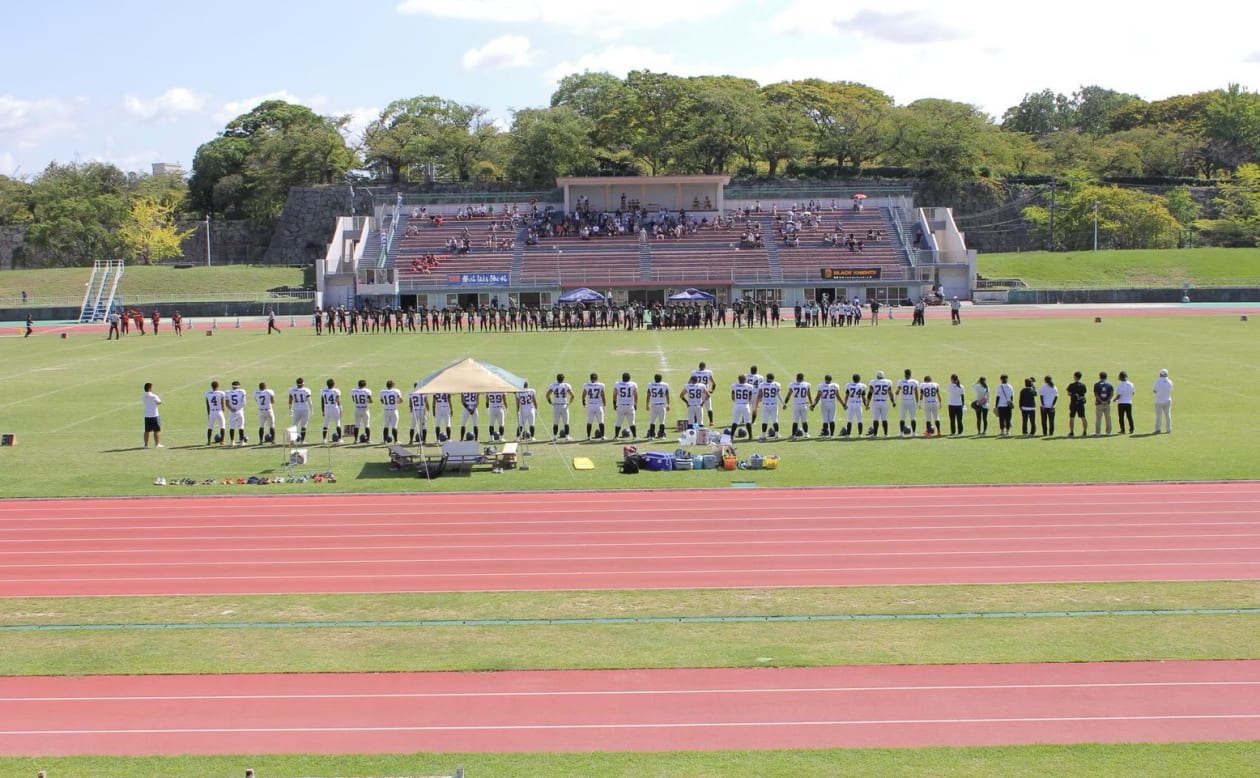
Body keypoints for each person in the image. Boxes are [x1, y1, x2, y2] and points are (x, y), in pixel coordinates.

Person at [546, 373, 574, 441]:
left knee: (555, 423)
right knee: (566, 423)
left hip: (556, 406)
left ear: (557, 379)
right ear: (563, 379)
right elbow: (573, 395)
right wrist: (569, 403)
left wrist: (550, 402)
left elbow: (547, 395)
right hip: (564, 405)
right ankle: (567, 437)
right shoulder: (566, 385)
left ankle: (555, 437)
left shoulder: (553, 385)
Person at [812, 374, 840, 438]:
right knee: (832, 420)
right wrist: (843, 404)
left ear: (825, 379)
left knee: (825, 420)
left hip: (824, 404)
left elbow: (818, 397)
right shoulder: (835, 386)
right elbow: (838, 396)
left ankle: (825, 435)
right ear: (831, 380)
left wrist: (813, 405)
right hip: (832, 404)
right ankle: (832, 435)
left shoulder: (821, 386)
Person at [785, 372, 813, 438]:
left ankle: (793, 435)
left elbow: (788, 395)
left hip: (796, 405)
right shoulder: (806, 384)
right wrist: (812, 404)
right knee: (804, 421)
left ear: (796, 378)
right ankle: (806, 434)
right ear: (803, 378)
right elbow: (809, 396)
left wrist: (785, 403)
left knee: (795, 421)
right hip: (804, 405)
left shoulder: (792, 384)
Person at [867, 370, 894, 437]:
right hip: (884, 402)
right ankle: (886, 434)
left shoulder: (873, 382)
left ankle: (875, 434)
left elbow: (870, 393)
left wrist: (867, 403)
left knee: (875, 419)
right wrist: (893, 402)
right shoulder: (887, 382)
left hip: (876, 402)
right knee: (884, 419)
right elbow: (890, 393)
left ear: (877, 376)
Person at [645, 373, 671, 440]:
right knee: (662, 421)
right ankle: (661, 435)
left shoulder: (650, 384)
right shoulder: (665, 385)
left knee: (652, 421)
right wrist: (668, 404)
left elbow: (648, 395)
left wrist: (647, 405)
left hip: (653, 405)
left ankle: (651, 435)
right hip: (662, 405)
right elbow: (667, 395)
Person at [612, 372, 638, 439]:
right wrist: (635, 404)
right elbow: (635, 395)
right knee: (632, 422)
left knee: (618, 422)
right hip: (630, 405)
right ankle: (634, 436)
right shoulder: (633, 384)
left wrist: (614, 404)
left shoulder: (617, 384)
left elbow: (615, 395)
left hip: (620, 405)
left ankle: (616, 436)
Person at [756, 372, 782, 439]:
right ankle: (777, 434)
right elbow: (779, 395)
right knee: (775, 420)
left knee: (764, 420)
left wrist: (757, 404)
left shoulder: (762, 384)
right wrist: (783, 404)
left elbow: (759, 395)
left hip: (765, 405)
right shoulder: (776, 384)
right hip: (774, 405)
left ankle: (763, 435)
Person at [841, 373, 867, 438]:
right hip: (858, 404)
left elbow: (846, 396)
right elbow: (863, 397)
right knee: (860, 420)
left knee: (849, 420)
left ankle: (848, 434)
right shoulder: (862, 386)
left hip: (850, 404)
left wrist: (844, 404)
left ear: (853, 379)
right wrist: (866, 405)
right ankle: (860, 434)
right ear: (859, 379)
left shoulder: (849, 385)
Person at [691, 361, 716, 426]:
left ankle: (695, 422)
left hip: (697, 392)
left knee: (697, 406)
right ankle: (711, 422)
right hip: (705, 391)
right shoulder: (708, 372)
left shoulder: (694, 372)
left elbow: (689, 382)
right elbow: (714, 383)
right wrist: (712, 390)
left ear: (699, 367)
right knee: (709, 407)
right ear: (704, 367)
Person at [896, 369, 920, 437]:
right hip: (911, 401)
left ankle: (901, 433)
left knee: (902, 418)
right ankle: (914, 433)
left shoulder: (901, 381)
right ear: (910, 374)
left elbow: (897, 391)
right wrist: (918, 402)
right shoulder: (914, 382)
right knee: (913, 418)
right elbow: (916, 392)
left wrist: (894, 399)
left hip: (904, 401)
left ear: (904, 374)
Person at [288, 377, 312, 443]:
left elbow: (290, 400)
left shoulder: (292, 390)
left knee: (294, 425)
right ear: (303, 383)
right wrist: (311, 409)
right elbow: (309, 401)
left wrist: (290, 409)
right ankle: (302, 440)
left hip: (296, 409)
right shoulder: (306, 390)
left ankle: (292, 440)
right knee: (304, 426)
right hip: (305, 409)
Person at [225, 380, 248, 445]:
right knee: (241, 427)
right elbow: (244, 403)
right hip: (240, 411)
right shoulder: (242, 391)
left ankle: (232, 441)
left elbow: (226, 403)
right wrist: (238, 409)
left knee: (232, 427)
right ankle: (241, 442)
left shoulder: (228, 392)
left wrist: (231, 409)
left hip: (232, 411)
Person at [1066, 371, 1088, 437]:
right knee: (1083, 417)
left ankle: (1072, 432)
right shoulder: (1083, 385)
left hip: (1073, 403)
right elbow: (1084, 393)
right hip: (1081, 403)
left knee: (1072, 417)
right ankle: (1085, 431)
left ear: (1075, 377)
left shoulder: (1071, 385)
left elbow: (1068, 393)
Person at [351, 379, 373, 443]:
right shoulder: (367, 391)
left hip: (357, 409)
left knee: (356, 425)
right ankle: (368, 440)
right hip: (365, 410)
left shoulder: (354, 390)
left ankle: (355, 440)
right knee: (367, 425)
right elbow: (371, 401)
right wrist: (367, 400)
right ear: (365, 385)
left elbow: (353, 399)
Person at [321, 378, 343, 443]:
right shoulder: (336, 391)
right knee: (338, 424)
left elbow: (322, 401)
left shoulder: (323, 390)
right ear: (334, 384)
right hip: (335, 408)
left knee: (325, 424)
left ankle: (324, 439)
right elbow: (338, 400)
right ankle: (340, 439)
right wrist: (341, 409)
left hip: (327, 408)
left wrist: (323, 410)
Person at [205, 380, 227, 445]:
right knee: (222, 426)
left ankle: (209, 441)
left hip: (212, 411)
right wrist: (223, 411)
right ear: (218, 386)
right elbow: (222, 403)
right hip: (219, 411)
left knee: (210, 427)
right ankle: (222, 441)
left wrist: (208, 413)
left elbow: (207, 404)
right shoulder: (221, 393)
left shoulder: (207, 393)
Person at [1093, 371, 1115, 436]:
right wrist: (1107, 401)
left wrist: (1101, 401)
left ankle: (1098, 433)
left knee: (1098, 419)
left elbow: (1096, 394)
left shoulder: (1096, 384)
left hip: (1099, 403)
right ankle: (1108, 432)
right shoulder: (1110, 384)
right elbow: (1111, 394)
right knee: (1108, 418)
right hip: (1107, 404)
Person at [142, 382, 163, 448]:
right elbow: (159, 402)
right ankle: (157, 444)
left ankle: (146, 445)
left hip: (147, 415)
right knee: (156, 431)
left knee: (147, 431)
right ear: (149, 388)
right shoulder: (154, 396)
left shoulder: (143, 396)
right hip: (154, 415)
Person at [1153, 368, 1174, 433]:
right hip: (1167, 400)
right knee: (1168, 415)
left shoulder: (1157, 381)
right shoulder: (1170, 381)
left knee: (1158, 416)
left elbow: (1154, 390)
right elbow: (1171, 390)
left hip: (1158, 401)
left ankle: (1157, 429)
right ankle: (1168, 429)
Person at [1115, 370, 1135, 434]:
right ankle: (1131, 429)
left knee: (1121, 417)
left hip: (1121, 403)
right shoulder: (1131, 384)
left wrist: (1114, 399)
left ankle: (1122, 429)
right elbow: (1133, 393)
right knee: (1129, 416)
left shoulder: (1120, 385)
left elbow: (1119, 395)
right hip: (1129, 402)